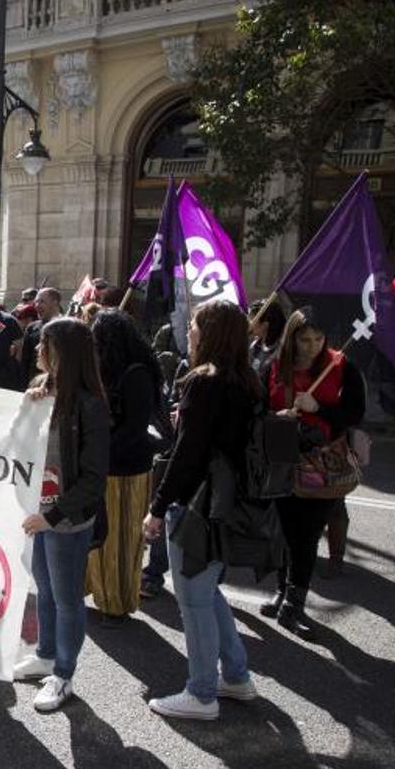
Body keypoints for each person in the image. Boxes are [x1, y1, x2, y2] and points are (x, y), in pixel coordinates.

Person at [142, 301, 260, 720]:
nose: (188, 330)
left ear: (208, 333)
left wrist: (156, 508)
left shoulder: (203, 382)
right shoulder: (247, 380)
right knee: (208, 593)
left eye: (193, 324)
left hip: (195, 504)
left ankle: (202, 693)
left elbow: (187, 455)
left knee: (193, 601)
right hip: (227, 503)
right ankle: (237, 675)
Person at [12, 317, 109, 712]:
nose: (36, 350)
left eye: (43, 344)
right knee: (46, 588)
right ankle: (46, 654)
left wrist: (52, 518)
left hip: (66, 521)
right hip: (42, 515)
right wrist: (25, 406)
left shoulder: (89, 405)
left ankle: (63, 674)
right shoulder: (42, 391)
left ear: (62, 353)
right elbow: (19, 442)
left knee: (68, 598)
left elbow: (92, 478)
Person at [265, 307, 365, 639]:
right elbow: (258, 405)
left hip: (322, 462)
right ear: (291, 338)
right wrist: (273, 414)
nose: (312, 346)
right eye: (304, 339)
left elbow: (355, 413)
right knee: (282, 530)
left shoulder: (342, 367)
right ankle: (282, 591)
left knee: (305, 536)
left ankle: (295, 604)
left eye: (318, 339)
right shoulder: (274, 364)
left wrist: (319, 408)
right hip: (280, 455)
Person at [84, 309, 161, 626]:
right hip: (104, 467)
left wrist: (99, 449)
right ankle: (97, 590)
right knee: (99, 538)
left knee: (121, 540)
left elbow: (134, 428)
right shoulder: (109, 371)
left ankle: (116, 604)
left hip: (128, 470)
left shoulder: (136, 374)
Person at [17, 287, 64, 390]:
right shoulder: (32, 328)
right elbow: (25, 361)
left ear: (55, 302)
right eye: (36, 302)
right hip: (35, 386)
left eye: (42, 302)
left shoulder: (67, 327)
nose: (37, 306)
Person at [248, 299, 286, 379]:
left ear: (265, 325)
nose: (248, 322)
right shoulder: (254, 345)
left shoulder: (278, 353)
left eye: (251, 319)